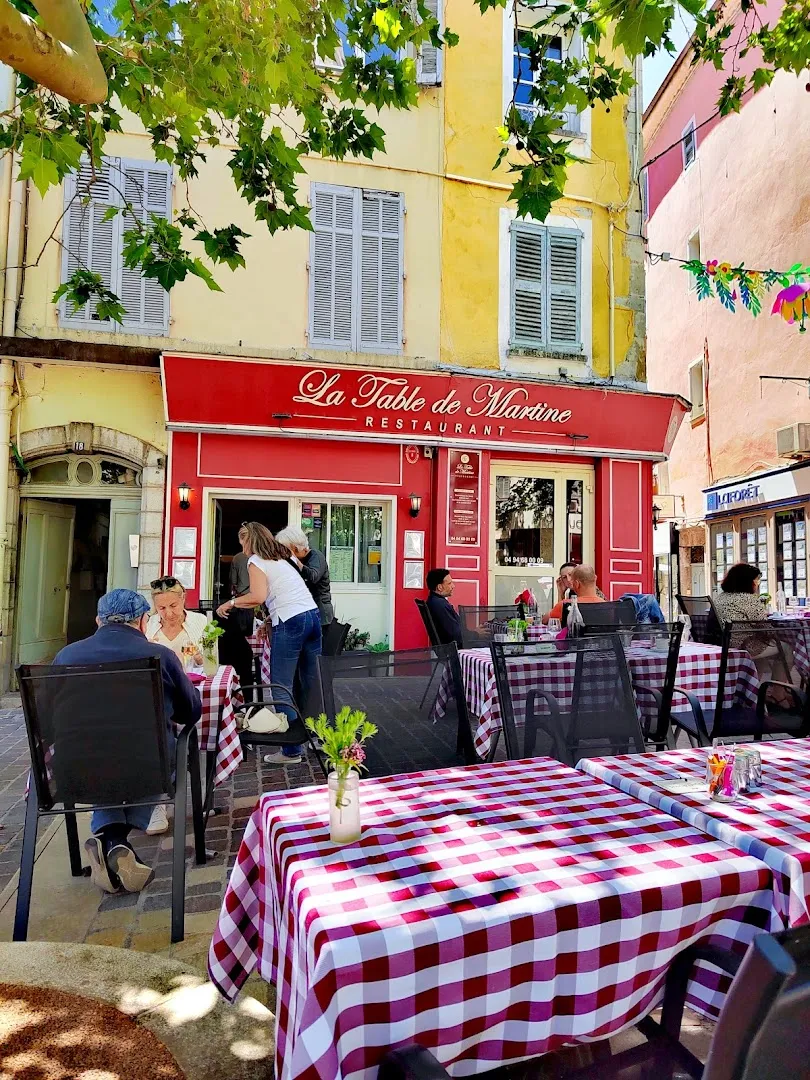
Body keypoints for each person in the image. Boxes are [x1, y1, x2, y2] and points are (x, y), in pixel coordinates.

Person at [53, 589, 201, 894]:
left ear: (98, 620)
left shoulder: (67, 656)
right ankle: (115, 843)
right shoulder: (160, 656)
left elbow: (47, 718)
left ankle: (110, 839)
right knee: (139, 754)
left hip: (74, 769)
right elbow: (191, 713)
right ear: (143, 621)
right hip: (147, 770)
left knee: (102, 752)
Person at [217, 522, 321, 765]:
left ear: (249, 541)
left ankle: (292, 751)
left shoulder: (256, 561)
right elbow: (288, 591)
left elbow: (258, 597)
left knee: (281, 686)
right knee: (311, 682)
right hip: (312, 616)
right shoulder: (284, 557)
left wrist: (229, 604)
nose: (241, 546)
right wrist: (268, 621)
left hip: (291, 621)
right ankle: (319, 736)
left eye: (242, 541)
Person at [275, 525, 334, 626]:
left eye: (286, 549)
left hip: (320, 614)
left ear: (296, 547)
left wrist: (295, 560)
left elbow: (313, 577)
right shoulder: (293, 562)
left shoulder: (315, 556)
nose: (284, 553)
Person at [146, 577, 208, 665]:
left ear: (183, 598)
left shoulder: (201, 621)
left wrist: (200, 660)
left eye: (173, 606)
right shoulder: (149, 625)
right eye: (162, 608)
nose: (169, 614)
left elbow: (211, 662)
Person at [426, 568, 463, 648]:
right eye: (449, 583)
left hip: (447, 648)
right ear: (439, 587)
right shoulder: (440, 605)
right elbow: (456, 635)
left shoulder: (433, 601)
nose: (453, 586)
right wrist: (476, 634)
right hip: (455, 648)